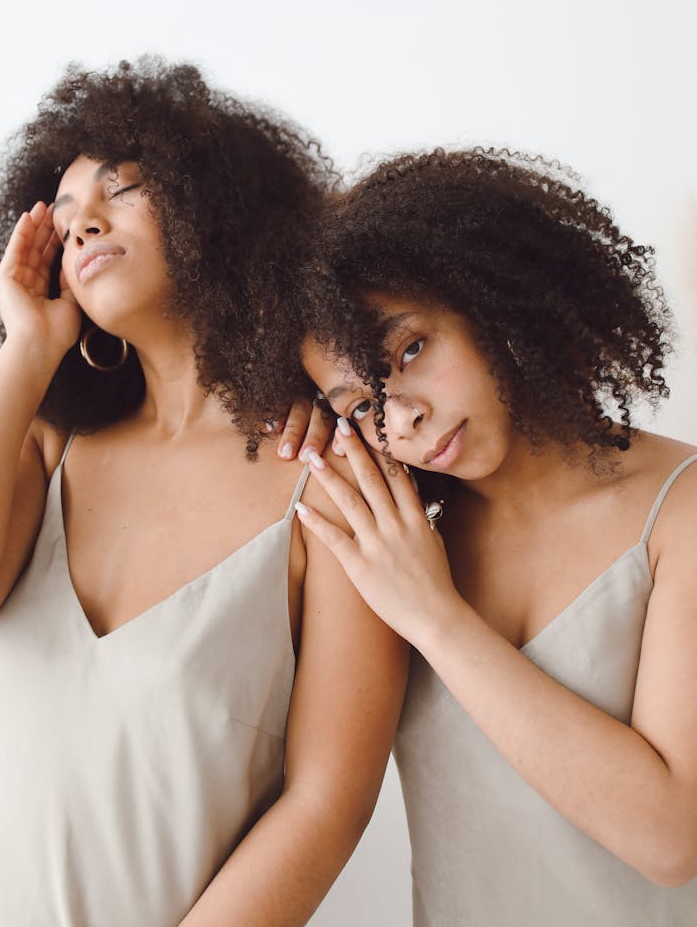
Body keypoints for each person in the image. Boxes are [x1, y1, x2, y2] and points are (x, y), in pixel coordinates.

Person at [0, 58, 407, 926]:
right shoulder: (45, 444)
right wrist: (27, 346)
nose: (84, 224)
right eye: (66, 212)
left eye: (120, 189)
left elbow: (328, 803)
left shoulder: (326, 482)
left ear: (217, 211)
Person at [255, 147, 697, 925]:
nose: (401, 416)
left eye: (410, 349)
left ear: (496, 298)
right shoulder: (394, 536)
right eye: (362, 406)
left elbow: (672, 837)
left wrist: (434, 615)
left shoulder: (681, 509)